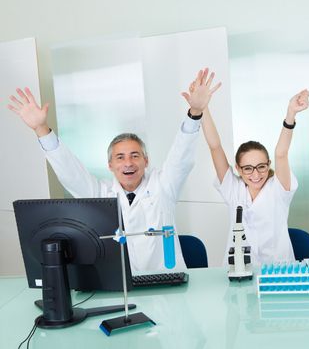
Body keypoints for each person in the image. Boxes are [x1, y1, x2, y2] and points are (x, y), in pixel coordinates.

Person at [7, 68, 221, 273]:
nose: (128, 163)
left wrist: (195, 113)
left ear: (146, 161)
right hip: (120, 287)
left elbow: (180, 157)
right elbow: (69, 172)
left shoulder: (163, 185)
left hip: (167, 284)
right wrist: (40, 129)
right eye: (120, 157)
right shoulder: (100, 194)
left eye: (135, 155)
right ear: (110, 165)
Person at [195, 89, 309, 265]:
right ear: (238, 169)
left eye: (261, 167)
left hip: (277, 273)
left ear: (269, 164)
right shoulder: (233, 189)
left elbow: (281, 153)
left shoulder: (279, 189)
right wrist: (203, 109)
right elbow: (215, 146)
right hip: (237, 272)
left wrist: (291, 114)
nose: (256, 174)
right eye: (248, 168)